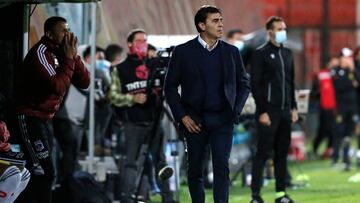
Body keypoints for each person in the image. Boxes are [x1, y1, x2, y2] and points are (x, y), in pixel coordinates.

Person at [164, 5, 250, 203]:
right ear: (201, 25)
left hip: (222, 120)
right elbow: (170, 88)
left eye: (221, 20)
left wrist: (234, 111)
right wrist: (182, 116)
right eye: (215, 21)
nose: (221, 25)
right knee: (195, 169)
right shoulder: (182, 52)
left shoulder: (231, 52)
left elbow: (244, 84)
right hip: (193, 121)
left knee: (221, 167)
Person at [13, 16, 90, 203]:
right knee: (43, 171)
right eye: (63, 30)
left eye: (68, 29)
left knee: (44, 172)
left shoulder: (62, 52)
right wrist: (70, 59)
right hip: (30, 117)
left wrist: (73, 58)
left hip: (47, 118)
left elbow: (85, 82)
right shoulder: (41, 53)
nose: (68, 34)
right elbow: (58, 86)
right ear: (49, 33)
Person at [108, 29, 176, 203]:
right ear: (129, 44)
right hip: (133, 123)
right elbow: (113, 96)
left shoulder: (154, 65)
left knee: (161, 162)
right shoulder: (119, 69)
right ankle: (127, 198)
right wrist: (132, 98)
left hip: (154, 121)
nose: (143, 44)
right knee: (131, 163)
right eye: (139, 41)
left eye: (145, 41)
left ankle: (167, 198)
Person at [250, 16, 298, 203]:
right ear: (269, 31)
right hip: (269, 112)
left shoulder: (288, 54)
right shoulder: (260, 54)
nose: (282, 32)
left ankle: (281, 194)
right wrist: (262, 110)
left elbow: (290, 83)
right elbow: (256, 84)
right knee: (262, 153)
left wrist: (293, 107)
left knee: (281, 153)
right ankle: (255, 195)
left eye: (284, 28)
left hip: (285, 111)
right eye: (279, 29)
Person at [331, 47, 358, 171]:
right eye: (346, 57)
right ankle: (335, 158)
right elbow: (340, 85)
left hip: (352, 107)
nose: (347, 60)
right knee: (338, 133)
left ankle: (346, 161)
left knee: (348, 134)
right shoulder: (336, 71)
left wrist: (352, 70)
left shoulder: (352, 71)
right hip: (340, 107)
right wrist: (350, 82)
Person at [310, 56, 339, 158]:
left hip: (336, 107)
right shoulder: (322, 74)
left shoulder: (338, 74)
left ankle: (329, 149)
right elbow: (315, 90)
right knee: (324, 129)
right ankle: (316, 148)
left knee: (333, 129)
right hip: (324, 106)